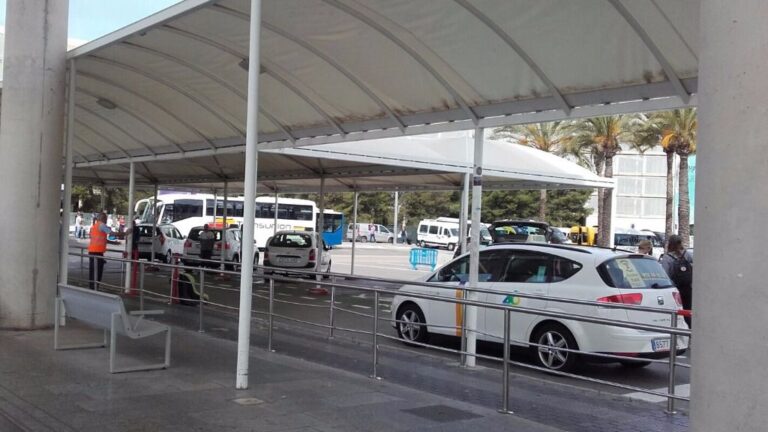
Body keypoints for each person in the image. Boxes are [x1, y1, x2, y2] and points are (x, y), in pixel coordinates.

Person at [660, 235, 694, 327]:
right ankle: (690, 329)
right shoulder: (687, 254)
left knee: (676, 311)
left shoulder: (667, 257)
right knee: (688, 310)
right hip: (688, 287)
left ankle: (679, 329)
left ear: (670, 244)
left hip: (675, 289)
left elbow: (664, 274)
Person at [88, 213, 112, 290]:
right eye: (106, 218)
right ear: (102, 218)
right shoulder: (102, 225)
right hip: (97, 252)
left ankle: (92, 287)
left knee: (93, 270)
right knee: (98, 271)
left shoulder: (94, 226)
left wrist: (114, 242)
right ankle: (95, 287)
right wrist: (126, 233)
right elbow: (112, 233)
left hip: (92, 251)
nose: (106, 220)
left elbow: (98, 238)